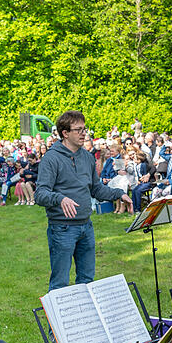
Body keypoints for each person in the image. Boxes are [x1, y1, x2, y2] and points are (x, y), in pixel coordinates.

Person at [35, 110, 129, 291]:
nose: (83, 133)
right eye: (78, 130)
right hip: (62, 228)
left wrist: (119, 193)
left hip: (86, 226)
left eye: (84, 129)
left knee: (87, 281)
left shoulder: (87, 157)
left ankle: (84, 319)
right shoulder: (51, 158)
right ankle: (57, 319)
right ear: (65, 133)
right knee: (60, 283)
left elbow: (96, 189)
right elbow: (40, 194)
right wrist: (60, 198)